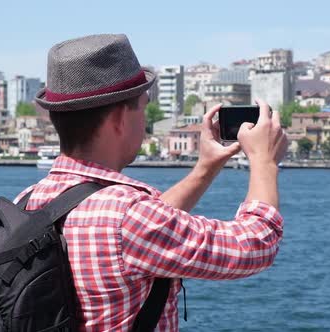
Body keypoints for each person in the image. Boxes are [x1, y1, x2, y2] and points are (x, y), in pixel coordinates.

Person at [16, 34, 287, 331]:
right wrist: (264, 161)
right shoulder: (128, 219)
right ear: (120, 118)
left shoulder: (26, 202)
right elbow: (254, 246)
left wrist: (205, 168)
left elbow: (140, 230)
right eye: (143, 107)